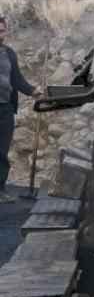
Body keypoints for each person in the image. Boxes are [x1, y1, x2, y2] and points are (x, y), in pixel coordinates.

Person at [0, 16, 41, 203]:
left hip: (5, 109)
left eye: (3, 30)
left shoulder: (9, 53)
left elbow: (16, 80)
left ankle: (0, 190)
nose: (2, 33)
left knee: (1, 152)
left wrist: (33, 91)